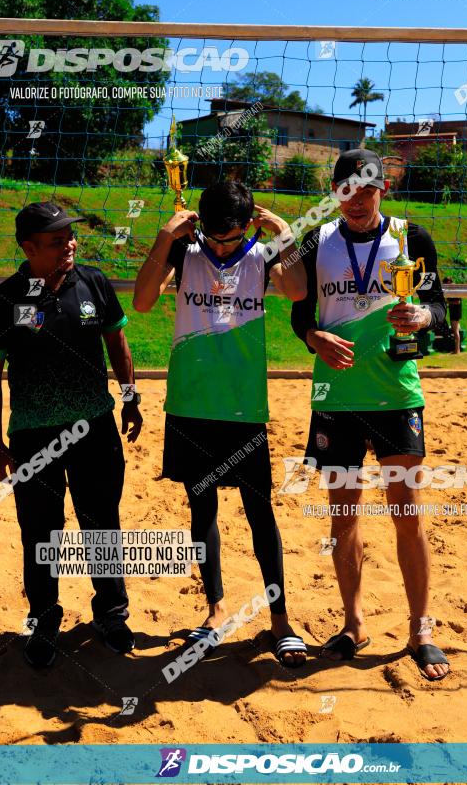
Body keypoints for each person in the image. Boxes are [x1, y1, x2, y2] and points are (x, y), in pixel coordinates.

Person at [133, 181, 308, 668]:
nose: (220, 245)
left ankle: (280, 620)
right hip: (190, 405)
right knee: (201, 511)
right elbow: (143, 302)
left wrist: (284, 235)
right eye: (213, 236)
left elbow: (298, 291)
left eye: (230, 238)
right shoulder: (185, 251)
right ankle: (215, 609)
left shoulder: (264, 253)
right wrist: (165, 237)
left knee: (260, 514)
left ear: (249, 223)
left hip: (243, 408)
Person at [291, 148, 450, 681]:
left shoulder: (411, 238)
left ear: (383, 190)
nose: (357, 201)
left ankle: (420, 627)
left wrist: (423, 314)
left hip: (397, 396)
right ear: (334, 192)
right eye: (347, 190)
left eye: (368, 190)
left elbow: (445, 311)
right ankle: (354, 622)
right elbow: (298, 315)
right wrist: (314, 336)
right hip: (335, 399)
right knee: (344, 517)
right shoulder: (318, 242)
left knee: (407, 512)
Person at [0, 202, 143, 668]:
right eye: (56, 241)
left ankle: (111, 615)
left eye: (71, 236)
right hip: (33, 436)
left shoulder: (92, 282)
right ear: (28, 248)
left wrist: (130, 396)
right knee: (40, 534)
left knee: (101, 525)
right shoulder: (3, 303)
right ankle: (44, 621)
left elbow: (117, 341)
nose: (69, 244)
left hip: (95, 427)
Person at [443, 277, 462, 354]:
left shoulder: (455, 290)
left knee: (455, 331)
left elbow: (457, 302)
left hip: (455, 313)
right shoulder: (453, 290)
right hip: (454, 312)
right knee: (455, 331)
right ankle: (457, 349)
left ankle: (457, 350)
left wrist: (447, 302)